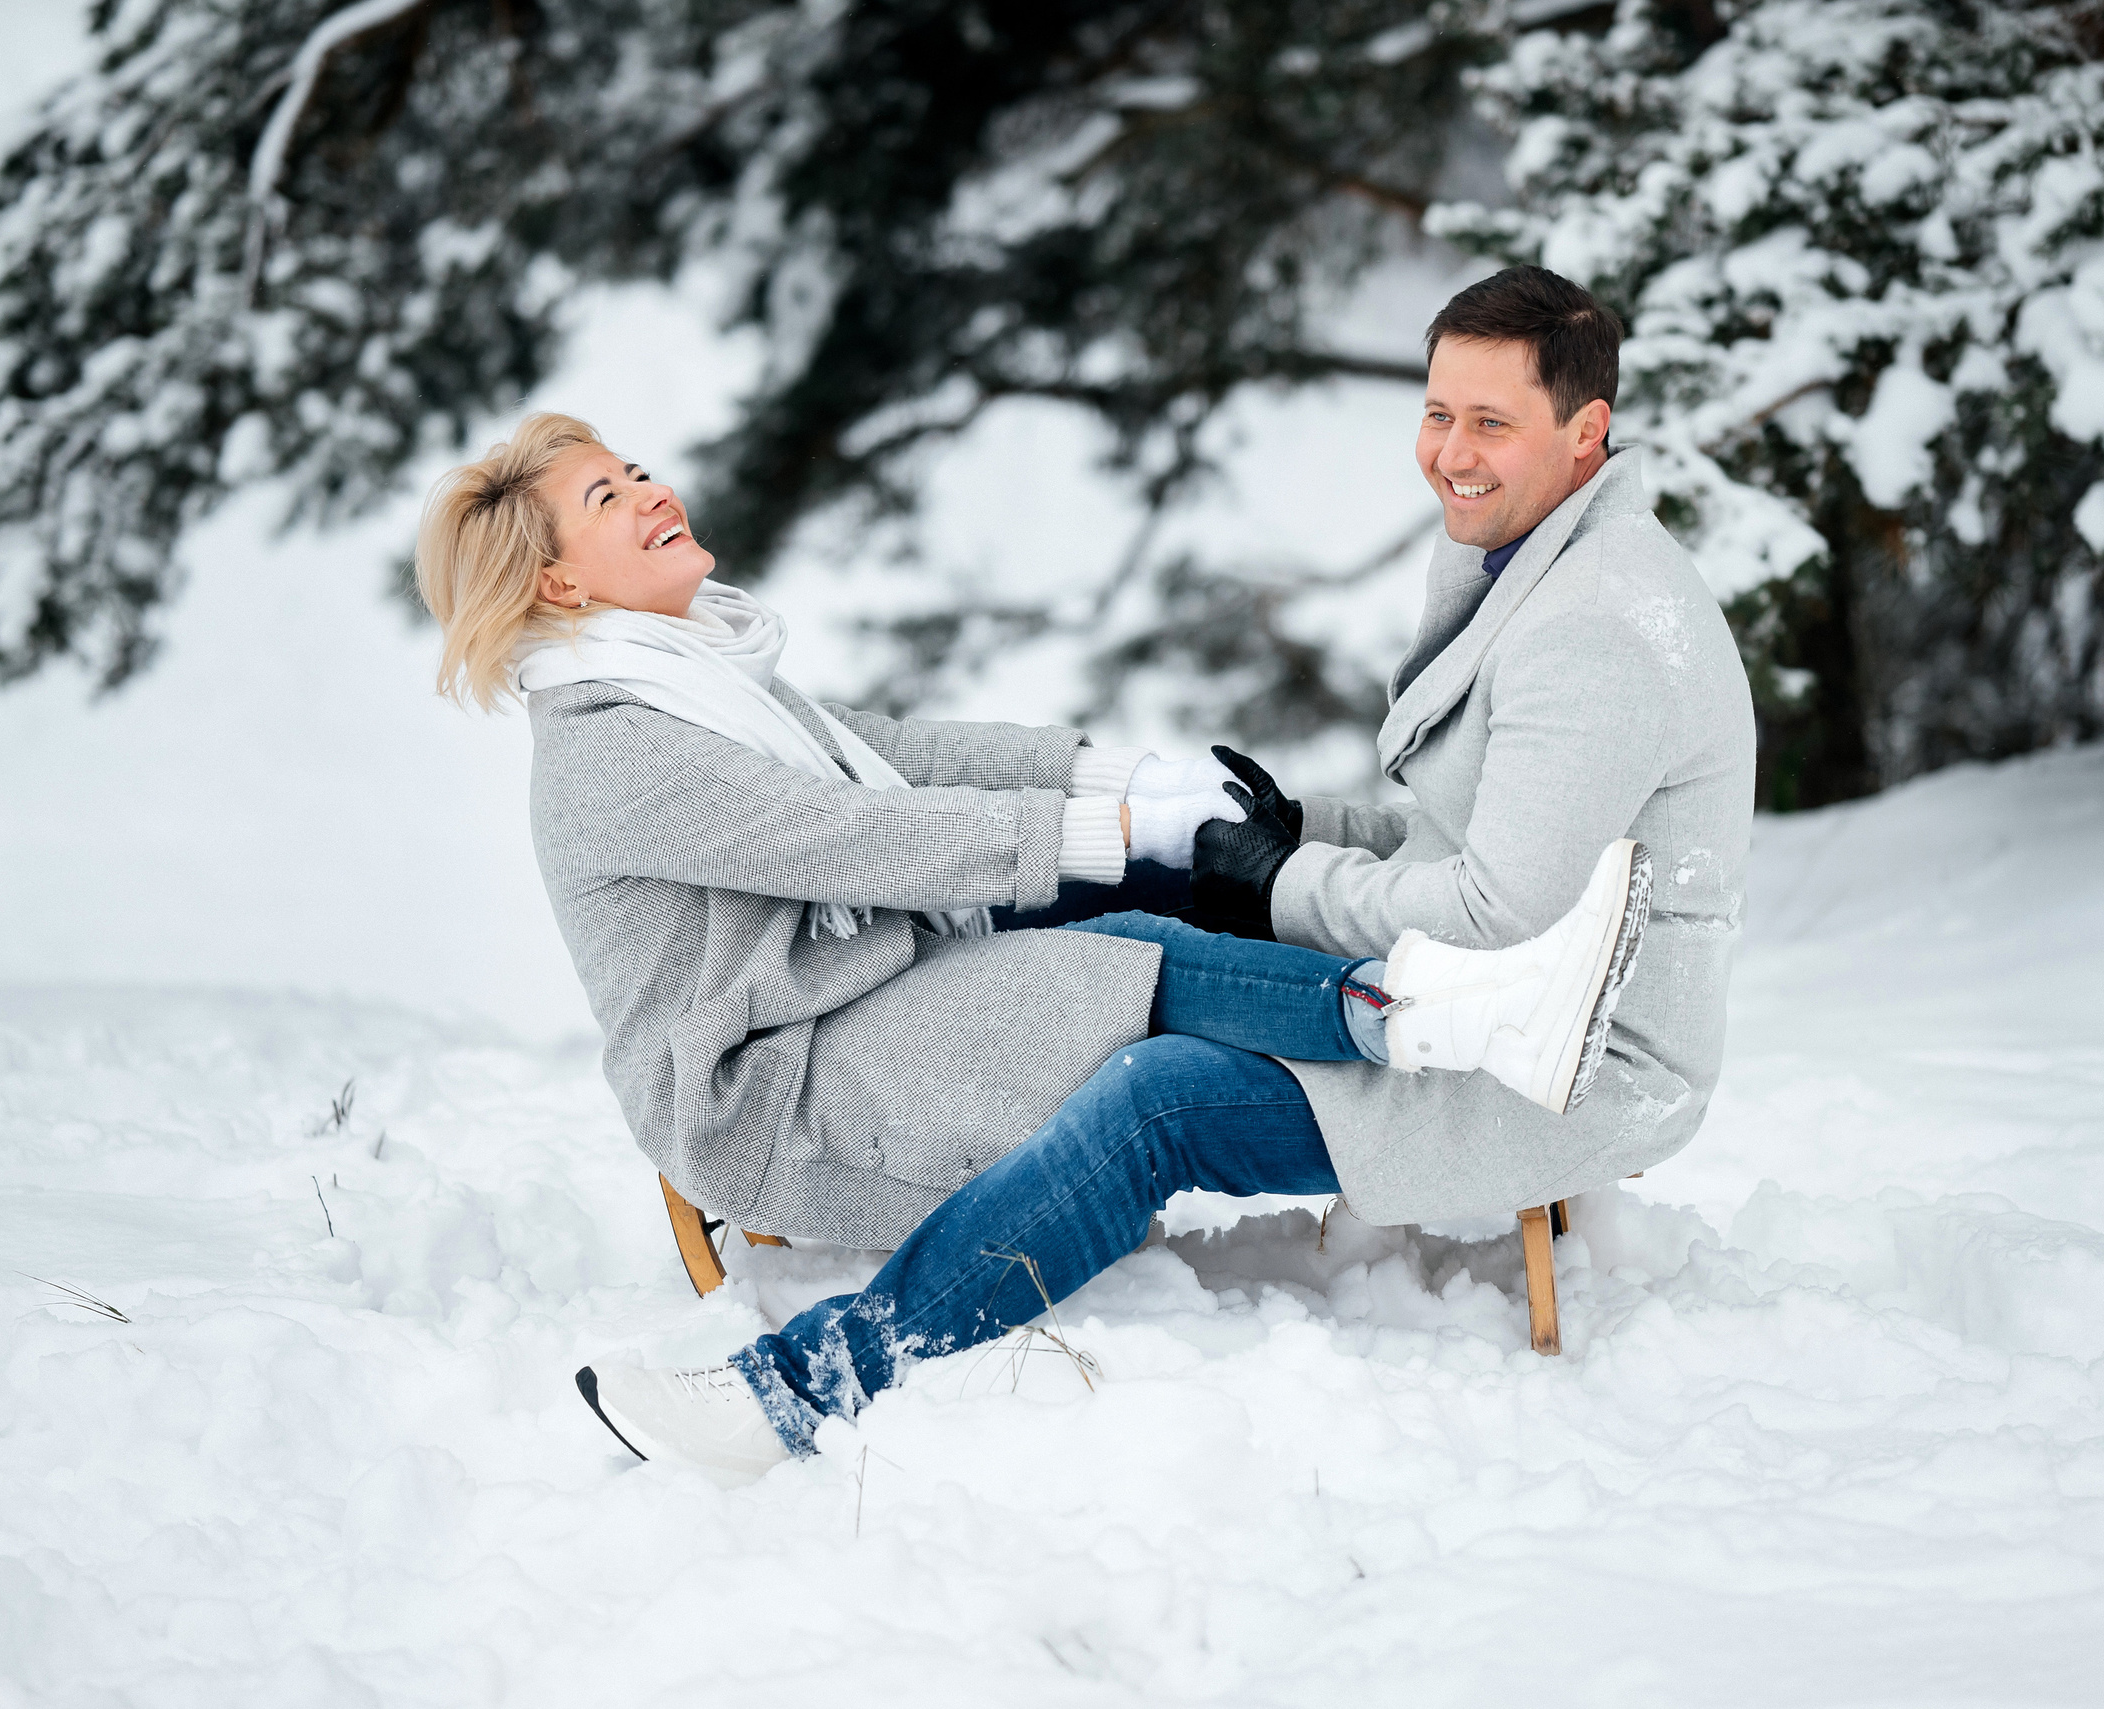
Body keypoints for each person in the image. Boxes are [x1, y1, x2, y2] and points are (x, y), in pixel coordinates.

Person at [412, 403, 1654, 1480]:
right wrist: (1102, 828)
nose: (650, 493)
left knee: (1167, 890)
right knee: (1119, 957)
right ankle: (1448, 1014)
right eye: (606, 496)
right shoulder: (613, 743)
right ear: (559, 584)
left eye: (634, 471)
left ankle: (1462, 971)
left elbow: (910, 754)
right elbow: (848, 835)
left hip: (863, 993)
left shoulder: (695, 680)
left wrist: (1127, 782)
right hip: (777, 1083)